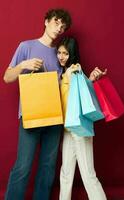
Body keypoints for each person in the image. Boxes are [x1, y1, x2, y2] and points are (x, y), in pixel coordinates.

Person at [3, 9, 72, 200]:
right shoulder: (26, 46)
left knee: (47, 168)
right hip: (31, 116)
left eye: (63, 27)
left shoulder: (61, 54)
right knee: (23, 166)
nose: (59, 28)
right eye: (57, 23)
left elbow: (65, 84)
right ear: (46, 21)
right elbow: (7, 77)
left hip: (54, 118)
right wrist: (24, 65)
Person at [56, 37, 107, 200]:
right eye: (59, 52)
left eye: (65, 53)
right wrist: (90, 79)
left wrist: (88, 78)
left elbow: (82, 95)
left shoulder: (74, 69)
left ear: (72, 54)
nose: (61, 56)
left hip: (80, 129)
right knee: (65, 173)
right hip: (68, 129)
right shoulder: (64, 72)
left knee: (88, 174)